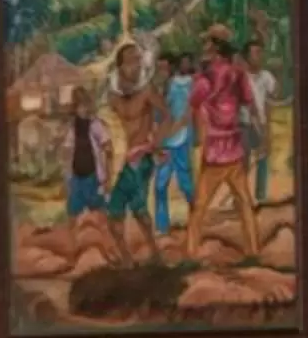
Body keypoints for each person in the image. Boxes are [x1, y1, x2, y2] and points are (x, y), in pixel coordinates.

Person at [183, 24, 264, 257]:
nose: (204, 46)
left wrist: (195, 136)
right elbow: (250, 104)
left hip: (215, 151)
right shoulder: (237, 73)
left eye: (207, 42)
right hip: (235, 147)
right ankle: (253, 251)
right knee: (244, 203)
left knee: (199, 207)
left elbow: (193, 108)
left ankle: (191, 253)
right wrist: (262, 133)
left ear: (216, 47)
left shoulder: (204, 78)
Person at [99, 40, 169, 264]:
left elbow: (167, 116)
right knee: (114, 214)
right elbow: (104, 126)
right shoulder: (111, 96)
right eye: (132, 62)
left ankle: (154, 253)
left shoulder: (147, 91)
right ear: (120, 66)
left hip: (141, 159)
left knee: (139, 208)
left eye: (139, 60)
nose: (137, 66)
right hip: (119, 162)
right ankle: (127, 258)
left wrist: (155, 142)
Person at [149, 51, 195, 235]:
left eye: (164, 68)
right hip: (164, 143)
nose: (161, 72)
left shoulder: (180, 87)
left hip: (178, 140)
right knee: (160, 185)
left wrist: (163, 138)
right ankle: (162, 226)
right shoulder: (157, 90)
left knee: (186, 184)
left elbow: (184, 118)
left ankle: (195, 218)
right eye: (158, 68)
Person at [62, 87, 109, 221]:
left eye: (85, 105)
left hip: (92, 176)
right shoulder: (73, 126)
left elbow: (107, 146)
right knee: (73, 213)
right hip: (76, 177)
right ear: (75, 108)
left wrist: (107, 175)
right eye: (79, 106)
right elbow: (67, 148)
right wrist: (67, 175)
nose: (83, 109)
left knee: (99, 213)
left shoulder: (95, 124)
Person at [244, 38, 278, 201]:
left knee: (263, 157)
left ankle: (261, 196)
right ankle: (241, 197)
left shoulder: (266, 76)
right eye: (254, 53)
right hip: (244, 123)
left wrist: (266, 128)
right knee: (242, 161)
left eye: (260, 53)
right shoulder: (242, 76)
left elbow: (273, 96)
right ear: (247, 57)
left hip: (261, 122)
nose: (258, 56)